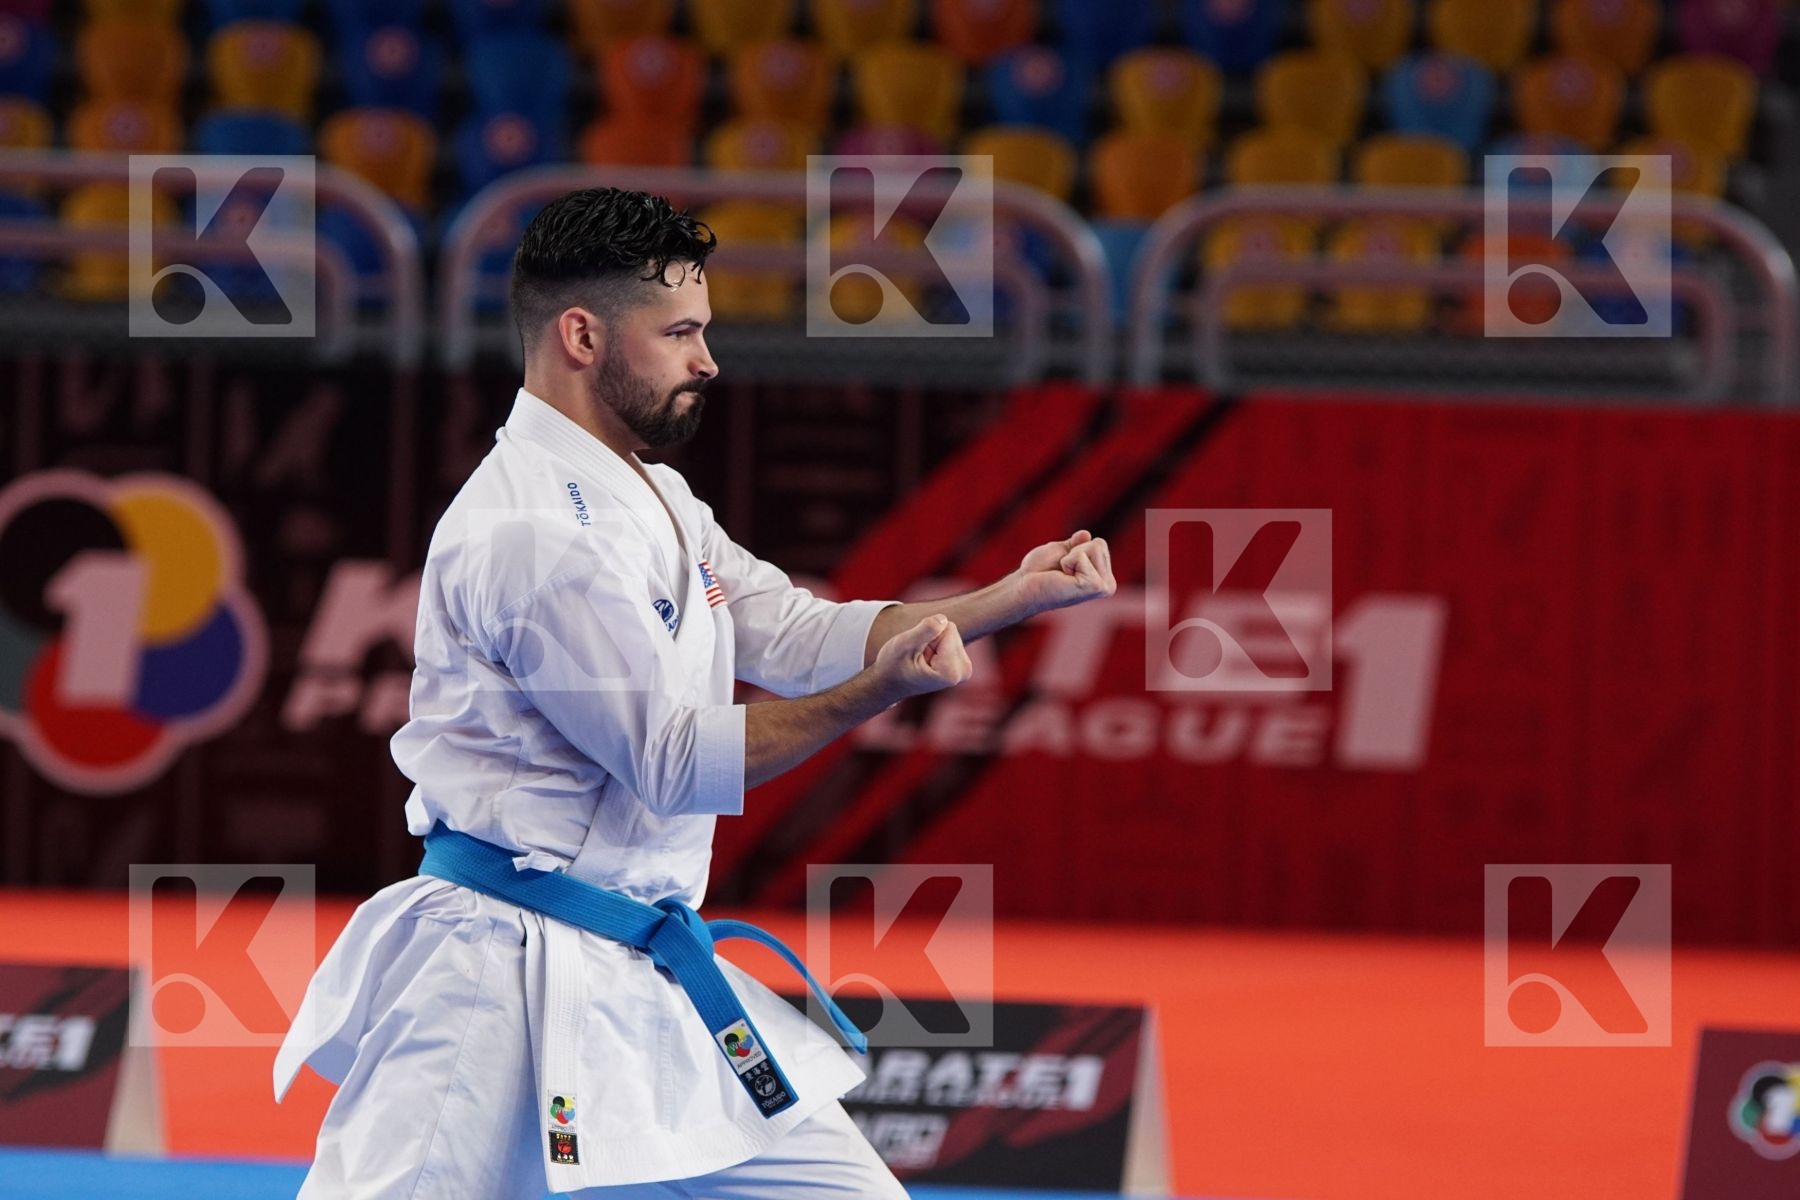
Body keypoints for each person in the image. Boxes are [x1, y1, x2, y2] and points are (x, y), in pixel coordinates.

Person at [273, 186, 1117, 1198]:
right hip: (493, 978)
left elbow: (801, 635)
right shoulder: (531, 532)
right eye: (679, 332)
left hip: (647, 965)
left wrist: (1009, 598)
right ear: (582, 336)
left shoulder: (658, 496)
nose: (707, 359)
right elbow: (671, 762)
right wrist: (872, 696)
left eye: (703, 330)